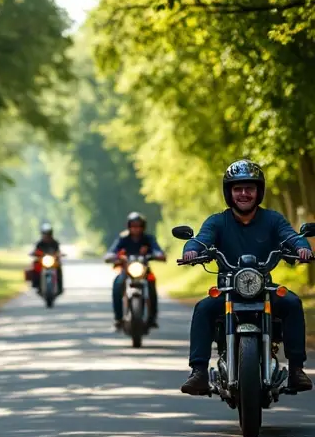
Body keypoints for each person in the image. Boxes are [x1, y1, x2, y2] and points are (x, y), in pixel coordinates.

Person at [181, 160, 314, 395]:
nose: (244, 194)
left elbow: (291, 236)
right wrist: (192, 250)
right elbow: (201, 239)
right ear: (229, 192)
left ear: (258, 192)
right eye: (238, 188)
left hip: (264, 288)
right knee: (203, 308)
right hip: (228, 290)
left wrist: (302, 247)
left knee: (292, 303)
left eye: (249, 188)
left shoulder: (272, 219)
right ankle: (199, 372)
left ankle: (296, 369)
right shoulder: (218, 221)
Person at [104, 212, 165, 330]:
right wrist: (114, 256)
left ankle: (152, 318)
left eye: (139, 226)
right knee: (117, 284)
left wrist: (157, 255)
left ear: (143, 227)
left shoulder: (148, 239)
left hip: (144, 270)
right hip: (127, 270)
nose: (136, 229)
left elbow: (158, 251)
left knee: (152, 284)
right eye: (133, 226)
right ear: (129, 226)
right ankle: (118, 318)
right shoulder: (123, 238)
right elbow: (112, 252)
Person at [31, 221, 63, 293]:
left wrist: (59, 254)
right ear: (42, 234)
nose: (47, 235)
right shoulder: (39, 243)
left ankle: (60, 287)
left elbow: (58, 251)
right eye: (45, 234)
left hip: (53, 261)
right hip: (42, 262)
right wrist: (34, 253)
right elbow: (35, 251)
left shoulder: (55, 243)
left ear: (51, 234)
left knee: (59, 267)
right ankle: (36, 284)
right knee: (35, 265)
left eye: (48, 234)